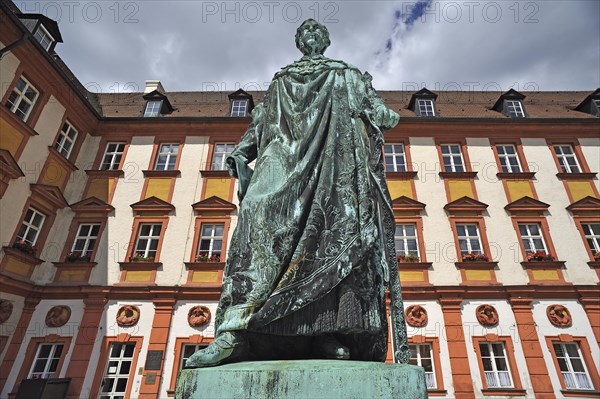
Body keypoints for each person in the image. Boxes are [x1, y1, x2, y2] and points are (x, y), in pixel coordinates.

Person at [186, 18, 401, 368]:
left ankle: (324, 333)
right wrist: (242, 151)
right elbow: (260, 120)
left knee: (332, 234)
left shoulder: (345, 73)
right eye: (305, 33)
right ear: (299, 42)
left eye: (318, 32)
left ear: (326, 41)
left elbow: (376, 111)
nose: (312, 36)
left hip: (333, 165)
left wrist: (381, 112)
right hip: (283, 157)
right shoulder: (282, 78)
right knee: (256, 215)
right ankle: (235, 331)